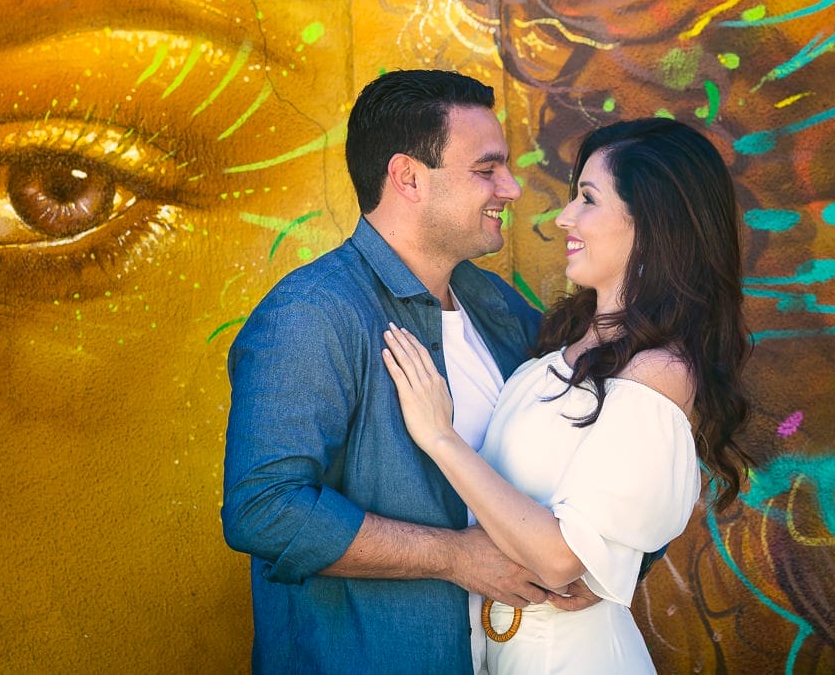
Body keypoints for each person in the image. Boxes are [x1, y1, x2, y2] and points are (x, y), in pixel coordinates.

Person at [221, 69, 592, 674]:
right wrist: (453, 557)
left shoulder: (496, 305)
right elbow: (265, 509)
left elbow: (598, 432)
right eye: (487, 169)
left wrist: (608, 563)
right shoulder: (312, 314)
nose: (511, 187)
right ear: (408, 177)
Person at [381, 116, 753, 673]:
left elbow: (561, 559)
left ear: (652, 225)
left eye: (588, 199)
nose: (564, 217)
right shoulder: (558, 337)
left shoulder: (659, 372)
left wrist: (440, 437)